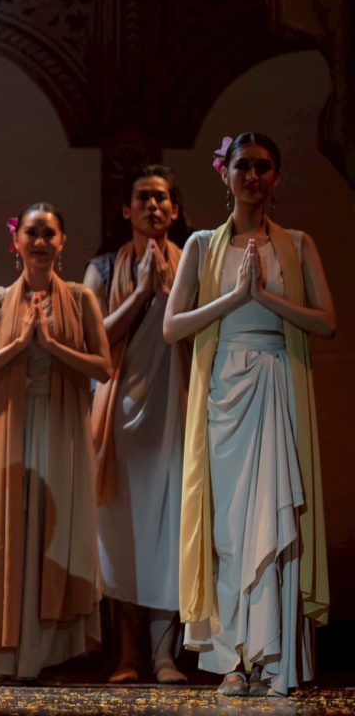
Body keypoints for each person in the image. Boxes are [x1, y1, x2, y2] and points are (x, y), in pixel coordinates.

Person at [164, 133, 334, 697]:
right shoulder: (199, 246)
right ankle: (234, 660)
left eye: (263, 167)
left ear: (276, 177)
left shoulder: (299, 244)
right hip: (224, 394)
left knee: (277, 522)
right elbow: (173, 326)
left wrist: (265, 298)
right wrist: (234, 299)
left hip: (277, 384)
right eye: (244, 166)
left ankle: (275, 660)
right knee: (231, 529)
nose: (253, 176)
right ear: (226, 173)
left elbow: (326, 322)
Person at [0, 203, 110, 680]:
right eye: (32, 233)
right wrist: (19, 346)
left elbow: (103, 368)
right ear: (16, 241)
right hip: (11, 425)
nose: (40, 241)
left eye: (49, 233)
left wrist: (53, 345)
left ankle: (48, 654)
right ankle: (9, 654)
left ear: (62, 242)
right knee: (12, 533)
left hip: (62, 427)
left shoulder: (81, 299)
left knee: (57, 533)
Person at [85, 166, 189, 684]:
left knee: (171, 534)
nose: (153, 206)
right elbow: (92, 339)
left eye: (162, 198)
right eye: (143, 198)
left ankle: (165, 655)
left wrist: (167, 292)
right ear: (126, 209)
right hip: (119, 420)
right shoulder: (104, 267)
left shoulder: (193, 261)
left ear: (174, 210)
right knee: (121, 537)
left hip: (175, 414)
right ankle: (128, 654)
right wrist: (142, 291)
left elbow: (201, 331)